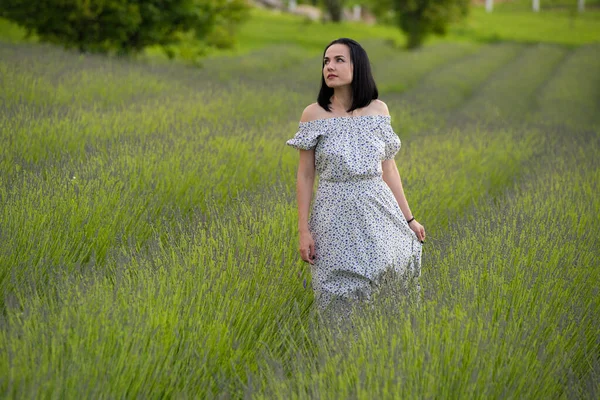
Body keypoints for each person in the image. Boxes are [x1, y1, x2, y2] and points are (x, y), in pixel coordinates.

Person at [286, 38, 426, 318]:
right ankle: (338, 353)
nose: (330, 67)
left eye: (339, 60)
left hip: (377, 209)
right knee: (337, 291)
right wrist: (303, 230)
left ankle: (383, 349)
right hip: (332, 213)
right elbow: (305, 174)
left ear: (357, 67)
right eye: (326, 61)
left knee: (387, 280)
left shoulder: (378, 111)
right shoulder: (313, 114)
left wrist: (409, 219)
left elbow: (389, 170)